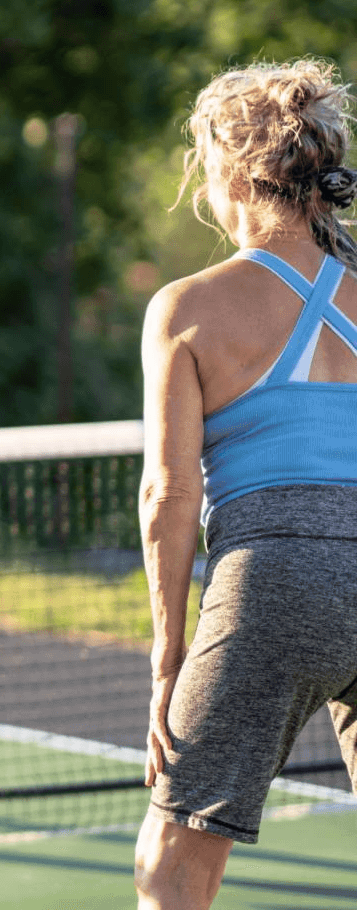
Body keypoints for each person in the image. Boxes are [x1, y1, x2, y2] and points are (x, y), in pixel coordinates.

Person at [134, 59, 357, 910]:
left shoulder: (188, 306)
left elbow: (169, 494)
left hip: (276, 580)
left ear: (229, 172)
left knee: (174, 859)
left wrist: (167, 654)